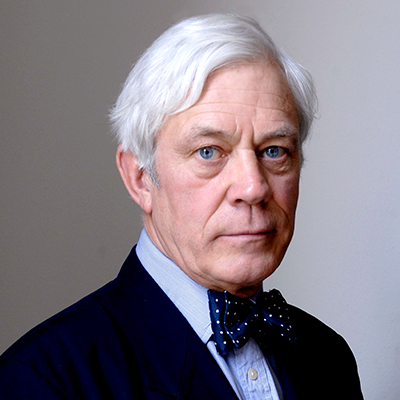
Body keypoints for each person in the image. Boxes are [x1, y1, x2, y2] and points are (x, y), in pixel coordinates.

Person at [0, 14, 363, 399]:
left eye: (274, 151)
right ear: (140, 177)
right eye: (209, 152)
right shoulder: (39, 380)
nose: (254, 187)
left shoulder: (329, 357)